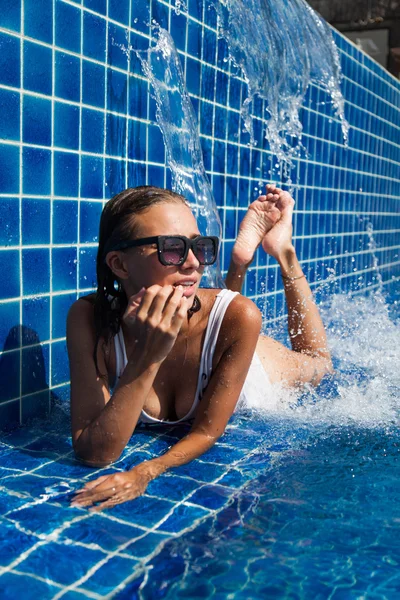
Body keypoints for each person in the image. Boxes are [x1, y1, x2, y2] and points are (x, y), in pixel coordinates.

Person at [68, 184, 332, 511]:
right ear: (120, 265)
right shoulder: (90, 321)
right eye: (173, 248)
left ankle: (284, 252)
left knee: (320, 365)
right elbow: (95, 452)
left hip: (252, 372)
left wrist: (145, 472)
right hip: (213, 339)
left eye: (200, 246)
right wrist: (148, 355)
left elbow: (206, 432)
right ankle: (239, 263)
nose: (194, 263)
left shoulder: (243, 315)